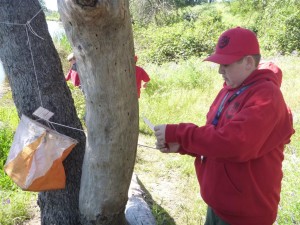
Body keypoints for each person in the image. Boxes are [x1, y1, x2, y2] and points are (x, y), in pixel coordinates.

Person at [154, 27, 294, 225]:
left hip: (246, 215)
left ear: (248, 62)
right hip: (220, 204)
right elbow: (217, 136)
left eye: (225, 64)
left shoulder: (267, 97)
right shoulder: (230, 89)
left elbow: (235, 144)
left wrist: (178, 132)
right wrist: (182, 146)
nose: (220, 71)